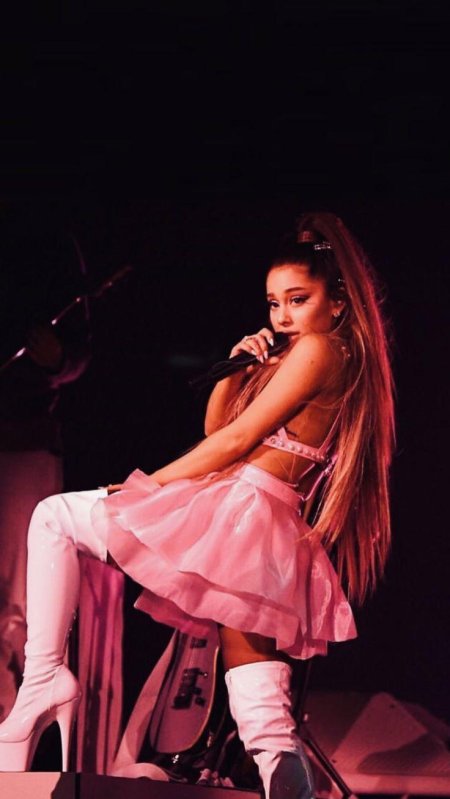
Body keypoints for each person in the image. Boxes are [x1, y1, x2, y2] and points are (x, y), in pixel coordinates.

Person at [0, 211, 394, 798]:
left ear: (337, 302)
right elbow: (220, 425)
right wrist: (238, 368)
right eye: (274, 303)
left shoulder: (319, 349)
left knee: (54, 516)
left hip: (243, 511)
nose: (283, 316)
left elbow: (233, 442)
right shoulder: (317, 355)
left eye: (298, 300)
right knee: (263, 710)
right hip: (260, 526)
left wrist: (145, 487)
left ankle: (44, 680)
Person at [0, 202, 91, 721]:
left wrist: (58, 357)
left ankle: (15, 725)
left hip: (23, 441)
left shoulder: (45, 239)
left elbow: (79, 346)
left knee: (21, 599)